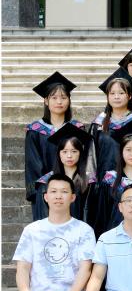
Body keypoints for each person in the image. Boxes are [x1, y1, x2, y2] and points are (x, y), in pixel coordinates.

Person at [25, 72, 86, 208]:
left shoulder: (77, 128)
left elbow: (83, 160)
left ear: (69, 100)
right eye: (54, 98)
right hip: (45, 190)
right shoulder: (35, 130)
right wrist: (48, 186)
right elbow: (33, 163)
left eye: (63, 97)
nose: (59, 102)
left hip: (74, 188)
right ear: (46, 101)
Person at [32, 123, 95, 225]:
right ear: (59, 153)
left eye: (74, 151)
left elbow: (95, 215)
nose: (69, 156)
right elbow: (42, 215)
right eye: (64, 151)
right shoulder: (46, 182)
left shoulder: (89, 181)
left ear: (80, 153)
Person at [91, 72, 132, 177]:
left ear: (129, 96)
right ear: (107, 97)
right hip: (104, 178)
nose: (116, 97)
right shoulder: (99, 123)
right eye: (112, 93)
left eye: (121, 93)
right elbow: (92, 155)